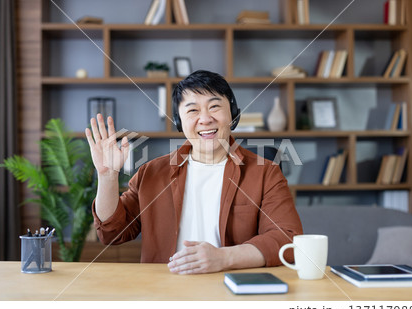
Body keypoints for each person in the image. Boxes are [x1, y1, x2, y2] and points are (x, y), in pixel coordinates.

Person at [86, 70, 303, 274]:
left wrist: (225, 258)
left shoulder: (266, 173)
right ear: (180, 121)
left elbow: (288, 238)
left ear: (233, 114)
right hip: (164, 292)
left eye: (214, 106)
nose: (205, 118)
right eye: (192, 110)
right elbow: (111, 233)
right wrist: (107, 177)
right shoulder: (151, 173)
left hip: (234, 289)